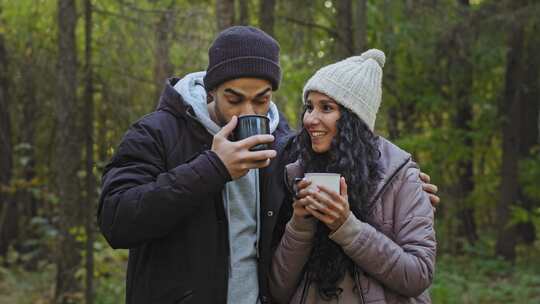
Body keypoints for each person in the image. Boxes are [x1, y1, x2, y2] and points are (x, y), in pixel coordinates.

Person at [98, 25, 439, 304]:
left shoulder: (284, 145)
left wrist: (401, 185)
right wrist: (213, 167)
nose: (249, 112)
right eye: (234, 99)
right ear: (210, 90)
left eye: (261, 100)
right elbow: (117, 220)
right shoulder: (157, 132)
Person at [269, 49, 437, 303]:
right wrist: (300, 224)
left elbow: (418, 275)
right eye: (309, 107)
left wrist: (346, 227)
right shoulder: (297, 172)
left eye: (326, 108)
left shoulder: (402, 178)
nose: (310, 119)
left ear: (352, 119)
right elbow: (278, 290)